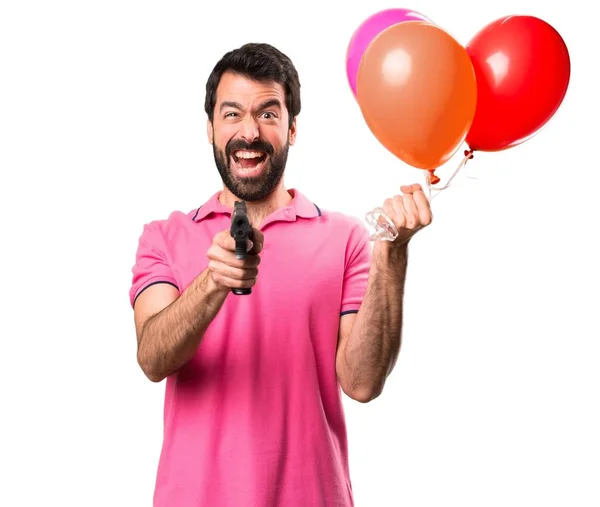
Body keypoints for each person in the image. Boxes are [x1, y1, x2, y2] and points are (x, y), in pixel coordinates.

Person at [129, 42, 432, 507]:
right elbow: (152, 358)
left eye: (268, 114)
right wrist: (214, 281)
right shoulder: (164, 237)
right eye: (231, 114)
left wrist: (392, 252)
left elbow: (363, 383)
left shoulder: (346, 239)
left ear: (291, 129)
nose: (249, 131)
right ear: (210, 128)